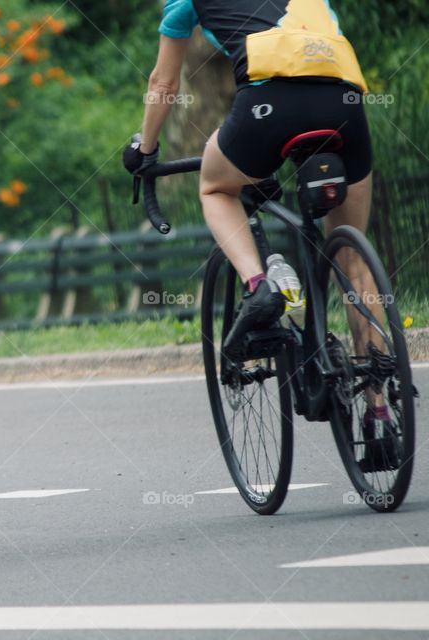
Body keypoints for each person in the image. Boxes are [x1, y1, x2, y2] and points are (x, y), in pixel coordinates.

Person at [123, 0, 396, 468]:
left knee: (215, 186)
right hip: (343, 100)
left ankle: (259, 286)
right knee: (351, 259)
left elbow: (163, 83)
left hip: (269, 104)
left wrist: (144, 149)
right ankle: (380, 415)